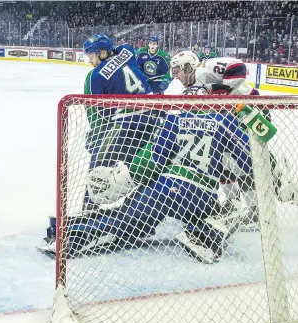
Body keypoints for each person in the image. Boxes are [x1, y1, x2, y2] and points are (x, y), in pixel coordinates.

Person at [52, 107, 295, 264]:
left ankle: (70, 233)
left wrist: (126, 178)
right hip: (200, 195)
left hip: (163, 188)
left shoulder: (175, 119)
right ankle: (205, 235)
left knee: (126, 220)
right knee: (230, 207)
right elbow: (251, 157)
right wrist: (276, 177)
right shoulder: (223, 121)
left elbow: (154, 159)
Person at [38, 34, 155, 253]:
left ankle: (84, 222)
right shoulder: (127, 52)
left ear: (101, 53)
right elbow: (128, 53)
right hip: (154, 117)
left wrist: (97, 141)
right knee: (144, 166)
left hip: (126, 123)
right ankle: (143, 216)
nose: (90, 61)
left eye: (91, 55)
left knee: (98, 167)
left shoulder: (94, 78)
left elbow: (97, 116)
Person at [170, 51, 261, 229]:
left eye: (177, 71)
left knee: (241, 163)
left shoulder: (205, 69)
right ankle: (232, 202)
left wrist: (223, 92)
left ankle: (254, 208)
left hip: (250, 110)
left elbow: (238, 67)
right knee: (223, 161)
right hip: (234, 117)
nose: (176, 76)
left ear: (188, 67)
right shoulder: (190, 88)